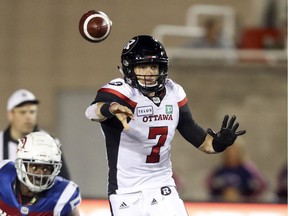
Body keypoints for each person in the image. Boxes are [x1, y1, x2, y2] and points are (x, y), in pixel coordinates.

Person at [85, 35, 246, 215]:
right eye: (142, 66)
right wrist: (111, 108)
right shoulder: (120, 91)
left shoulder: (173, 92)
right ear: (129, 68)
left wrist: (220, 143)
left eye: (154, 66)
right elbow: (92, 112)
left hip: (162, 186)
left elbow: (202, 141)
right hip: (126, 190)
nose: (149, 72)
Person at [0, 131, 81, 215]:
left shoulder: (61, 197)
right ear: (21, 165)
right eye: (34, 167)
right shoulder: (2, 177)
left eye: (46, 168)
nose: (40, 174)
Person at [0, 89, 70, 179]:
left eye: (32, 112)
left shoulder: (50, 142)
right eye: (22, 112)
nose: (28, 117)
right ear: (10, 114)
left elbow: (63, 181)